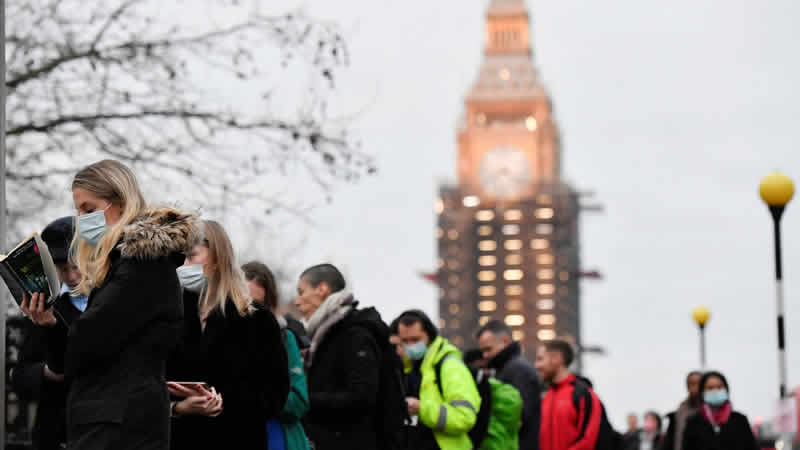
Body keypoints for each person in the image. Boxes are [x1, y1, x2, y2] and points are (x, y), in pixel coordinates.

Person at [23, 160, 197, 449]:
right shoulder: (124, 267)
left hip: (120, 424)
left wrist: (55, 328)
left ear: (119, 203)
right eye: (78, 210)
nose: (80, 219)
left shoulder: (141, 266)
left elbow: (87, 344)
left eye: (88, 209)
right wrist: (51, 324)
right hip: (114, 420)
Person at [167, 222, 290, 450]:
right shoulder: (169, 316)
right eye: (180, 258)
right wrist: (178, 408)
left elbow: (276, 392)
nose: (184, 265)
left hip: (238, 438)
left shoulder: (256, 319)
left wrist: (223, 402)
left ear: (217, 255)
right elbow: (148, 383)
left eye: (192, 255)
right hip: (180, 439)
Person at [11, 217, 86, 450]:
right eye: (63, 270)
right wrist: (46, 373)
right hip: (54, 430)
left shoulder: (109, 300)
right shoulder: (42, 307)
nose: (72, 277)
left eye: (76, 267)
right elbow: (20, 376)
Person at [295, 263, 388, 449]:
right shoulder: (323, 334)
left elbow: (361, 397)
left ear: (322, 289)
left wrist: (305, 400)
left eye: (301, 292)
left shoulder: (354, 334)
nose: (297, 301)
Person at [243, 261, 310, 450]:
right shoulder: (214, 336)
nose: (250, 312)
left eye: (258, 305)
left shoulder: (284, 338)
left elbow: (299, 401)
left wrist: (258, 393)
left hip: (277, 437)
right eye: (243, 302)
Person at [396, 309, 481, 450]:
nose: (410, 345)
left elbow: (464, 417)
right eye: (405, 341)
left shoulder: (449, 366)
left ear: (430, 335)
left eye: (416, 340)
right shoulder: (411, 368)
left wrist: (421, 408)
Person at [477, 320, 541, 450]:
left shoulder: (518, 370)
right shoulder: (506, 368)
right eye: (483, 351)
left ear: (505, 341)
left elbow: (519, 417)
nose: (485, 355)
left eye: (488, 349)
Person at [536, 339, 602, 450]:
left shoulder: (583, 395)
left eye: (540, 359)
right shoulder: (544, 395)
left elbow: (587, 441)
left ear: (557, 359)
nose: (536, 365)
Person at [681, 371, 759, 450]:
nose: (715, 391)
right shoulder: (693, 423)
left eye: (719, 387)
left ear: (726, 389)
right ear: (702, 392)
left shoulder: (740, 420)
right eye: (710, 388)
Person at [660, 371, 703, 450]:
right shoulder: (679, 413)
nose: (696, 387)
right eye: (692, 383)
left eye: (699, 383)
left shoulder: (711, 411)